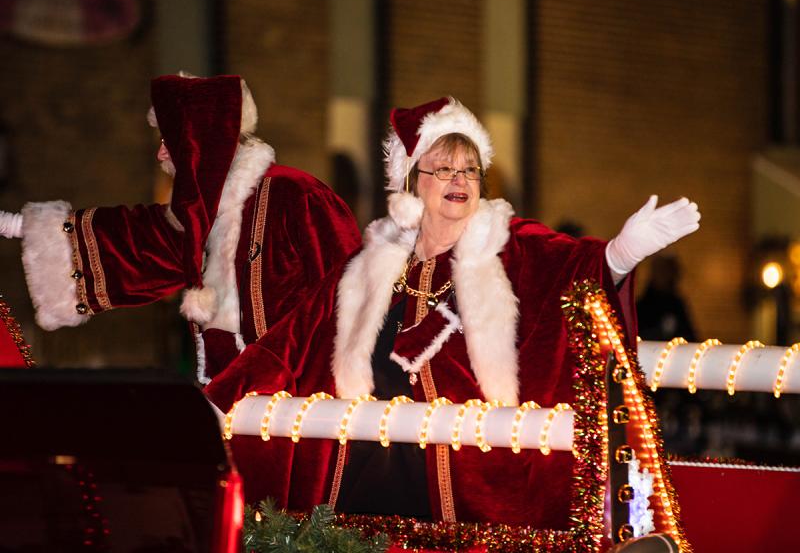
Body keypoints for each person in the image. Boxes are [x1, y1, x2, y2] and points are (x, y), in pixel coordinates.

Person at [204, 97, 700, 544]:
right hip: (359, 497)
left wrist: (619, 255)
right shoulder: (367, 267)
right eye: (443, 168)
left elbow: (570, 273)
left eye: (470, 170)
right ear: (411, 181)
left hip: (465, 503)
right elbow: (288, 345)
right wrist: (214, 405)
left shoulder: (511, 247)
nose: (460, 181)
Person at [0, 74, 361, 382]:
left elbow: (350, 296)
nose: (159, 155)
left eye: (166, 141)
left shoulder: (297, 195)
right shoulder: (199, 220)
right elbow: (132, 240)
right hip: (229, 399)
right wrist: (13, 225)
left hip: (299, 403)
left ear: (198, 143)